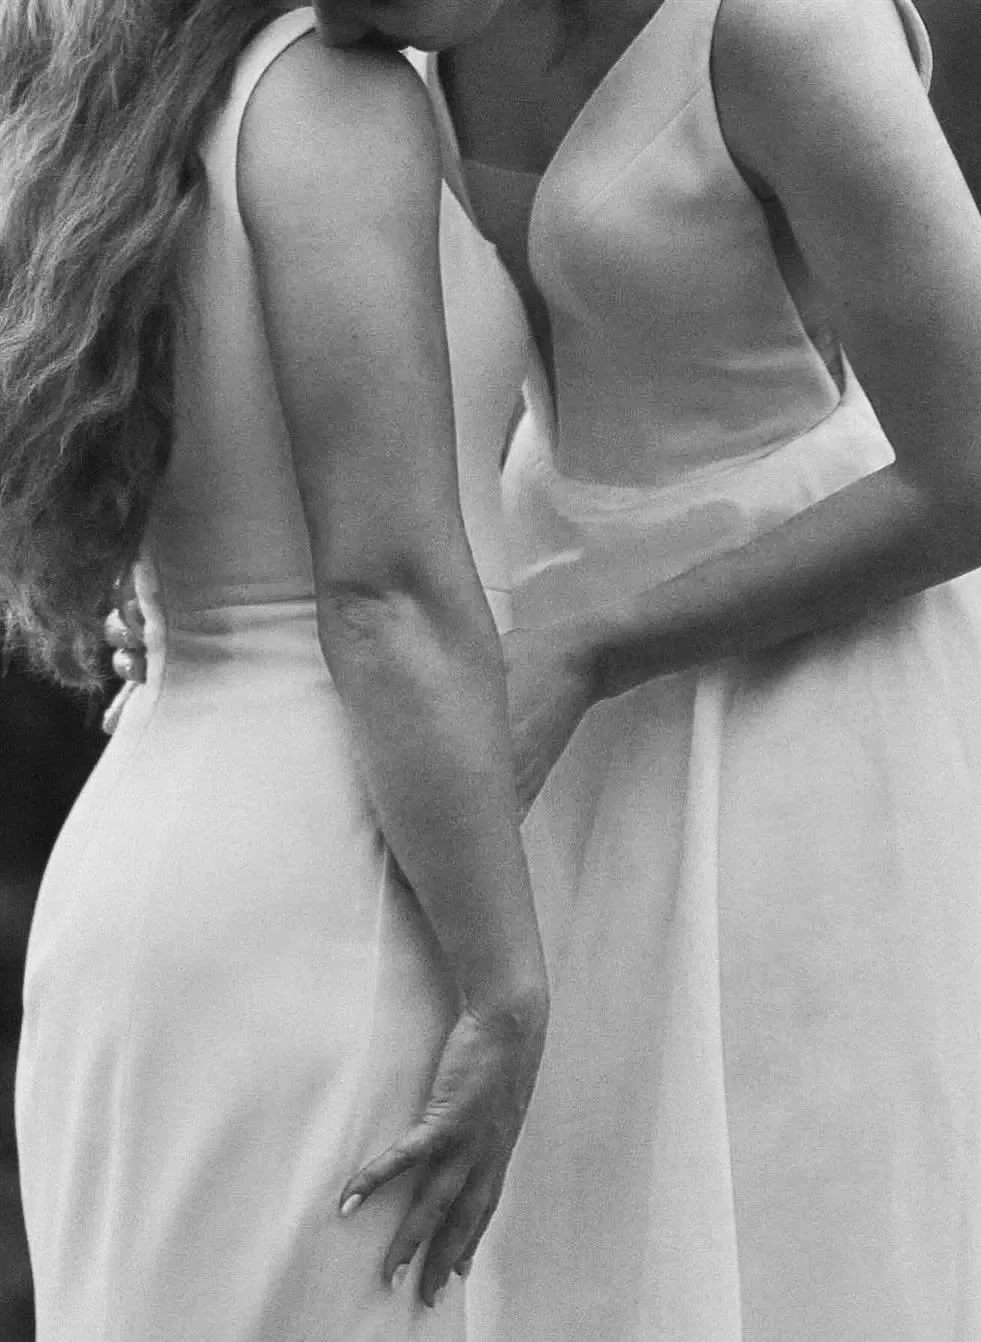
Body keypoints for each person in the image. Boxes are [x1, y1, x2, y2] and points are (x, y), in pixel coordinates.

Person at [110, 0, 981, 1335]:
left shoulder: (778, 33)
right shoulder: (406, 34)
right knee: (598, 1214)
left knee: (815, 1206)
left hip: (831, 653)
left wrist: (602, 639)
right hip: (564, 647)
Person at [1, 2, 549, 1338]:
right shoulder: (330, 98)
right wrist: (505, 981)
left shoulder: (115, 108)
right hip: (334, 875)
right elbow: (386, 590)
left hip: (144, 855)